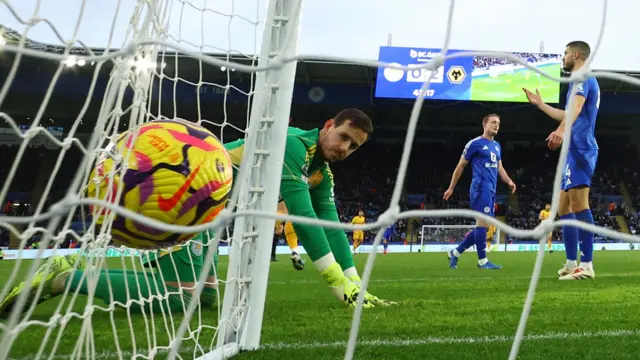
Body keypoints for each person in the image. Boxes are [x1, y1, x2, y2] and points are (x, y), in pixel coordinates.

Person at [225, 108, 394, 308]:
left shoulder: (322, 173)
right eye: (343, 137)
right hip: (194, 185)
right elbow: (302, 216)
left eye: (353, 146)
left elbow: (331, 227)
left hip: (213, 209)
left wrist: (355, 283)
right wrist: (337, 282)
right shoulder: (294, 144)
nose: (344, 148)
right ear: (329, 125)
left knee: (206, 298)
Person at [0, 230, 219, 317]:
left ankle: (82, 272)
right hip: (179, 192)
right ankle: (64, 278)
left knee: (206, 297)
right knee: (182, 296)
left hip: (209, 204)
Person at [523, 41, 599, 280]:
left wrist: (561, 130)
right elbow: (569, 113)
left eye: (566, 53)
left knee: (579, 204)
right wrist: (542, 105)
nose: (563, 57)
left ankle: (586, 265)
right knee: (563, 206)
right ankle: (570, 262)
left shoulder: (582, 76)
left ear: (576, 54)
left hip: (581, 147)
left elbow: (575, 110)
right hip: (572, 148)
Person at [444, 114, 516, 269]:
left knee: (481, 226)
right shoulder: (474, 144)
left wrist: (508, 180)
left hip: (491, 190)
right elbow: (460, 166)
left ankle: (455, 253)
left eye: (498, 123)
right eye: (493, 123)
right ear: (485, 125)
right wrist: (451, 187)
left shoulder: (497, 146)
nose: (496, 125)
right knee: (482, 224)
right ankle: (482, 261)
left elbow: (499, 167)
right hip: (479, 188)